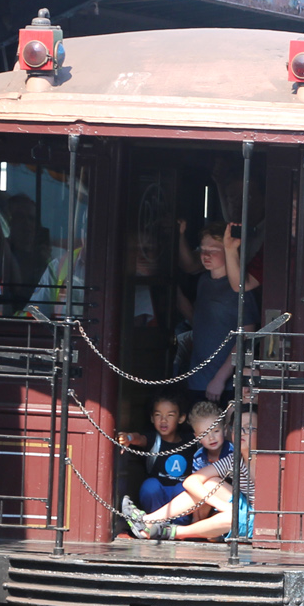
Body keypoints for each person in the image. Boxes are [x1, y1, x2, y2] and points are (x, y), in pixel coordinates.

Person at [118, 401, 255, 541]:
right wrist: (223, 506)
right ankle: (148, 520)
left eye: (250, 428)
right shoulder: (233, 459)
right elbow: (192, 481)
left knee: (232, 516)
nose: (242, 433)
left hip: (258, 519)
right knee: (210, 483)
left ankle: (170, 532)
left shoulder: (268, 460)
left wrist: (226, 510)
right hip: (235, 506)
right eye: (239, 428)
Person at [185, 222, 261, 402]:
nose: (205, 255)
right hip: (197, 378)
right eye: (202, 249)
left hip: (224, 383)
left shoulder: (240, 288)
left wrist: (220, 378)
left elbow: (246, 336)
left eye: (213, 250)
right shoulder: (203, 281)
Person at [123, 392, 195, 526]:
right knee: (150, 485)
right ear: (151, 418)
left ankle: (179, 525)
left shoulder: (190, 440)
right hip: (158, 495)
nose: (163, 420)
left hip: (181, 497)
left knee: (184, 487)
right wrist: (129, 438)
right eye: (158, 415)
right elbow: (140, 439)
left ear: (181, 418)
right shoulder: (153, 439)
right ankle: (156, 523)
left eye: (170, 415)